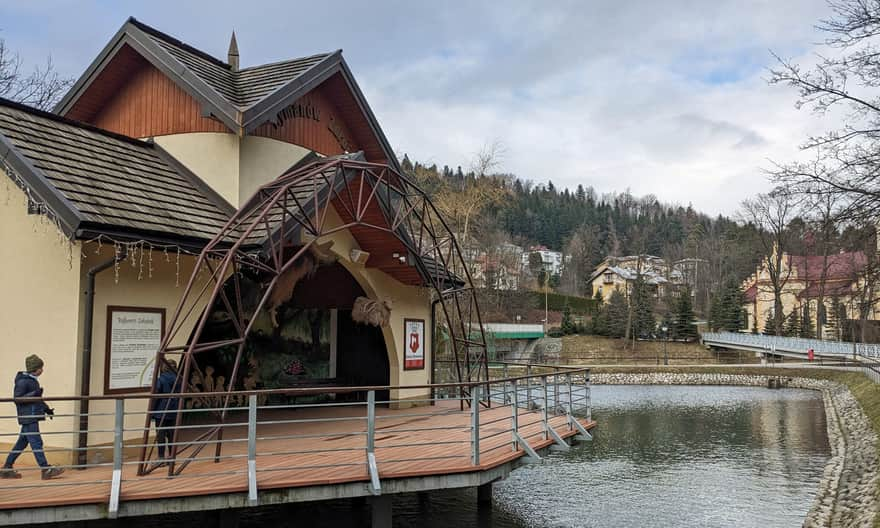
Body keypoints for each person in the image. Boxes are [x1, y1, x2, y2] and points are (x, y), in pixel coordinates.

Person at [0, 355, 64, 479]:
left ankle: (7, 467)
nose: (42, 370)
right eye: (41, 367)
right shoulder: (23, 381)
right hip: (29, 416)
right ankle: (46, 469)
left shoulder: (32, 380)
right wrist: (34, 393)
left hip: (31, 415)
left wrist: (46, 409)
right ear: (35, 369)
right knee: (36, 443)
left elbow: (37, 399)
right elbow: (17, 399)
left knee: (22, 443)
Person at [151, 358, 181, 464]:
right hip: (174, 409)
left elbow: (156, 395)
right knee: (172, 435)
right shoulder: (178, 379)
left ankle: (161, 458)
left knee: (161, 435)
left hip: (162, 410)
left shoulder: (161, 379)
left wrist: (152, 411)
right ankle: (171, 458)